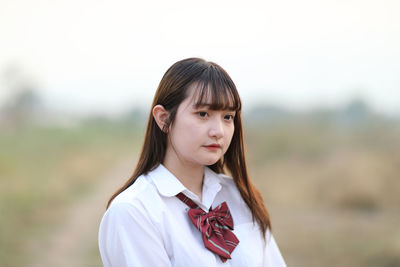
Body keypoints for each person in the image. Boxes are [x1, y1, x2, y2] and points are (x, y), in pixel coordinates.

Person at [98, 57, 286, 266]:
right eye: (203, 114)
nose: (218, 132)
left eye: (228, 117)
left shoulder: (240, 196)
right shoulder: (133, 212)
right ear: (163, 118)